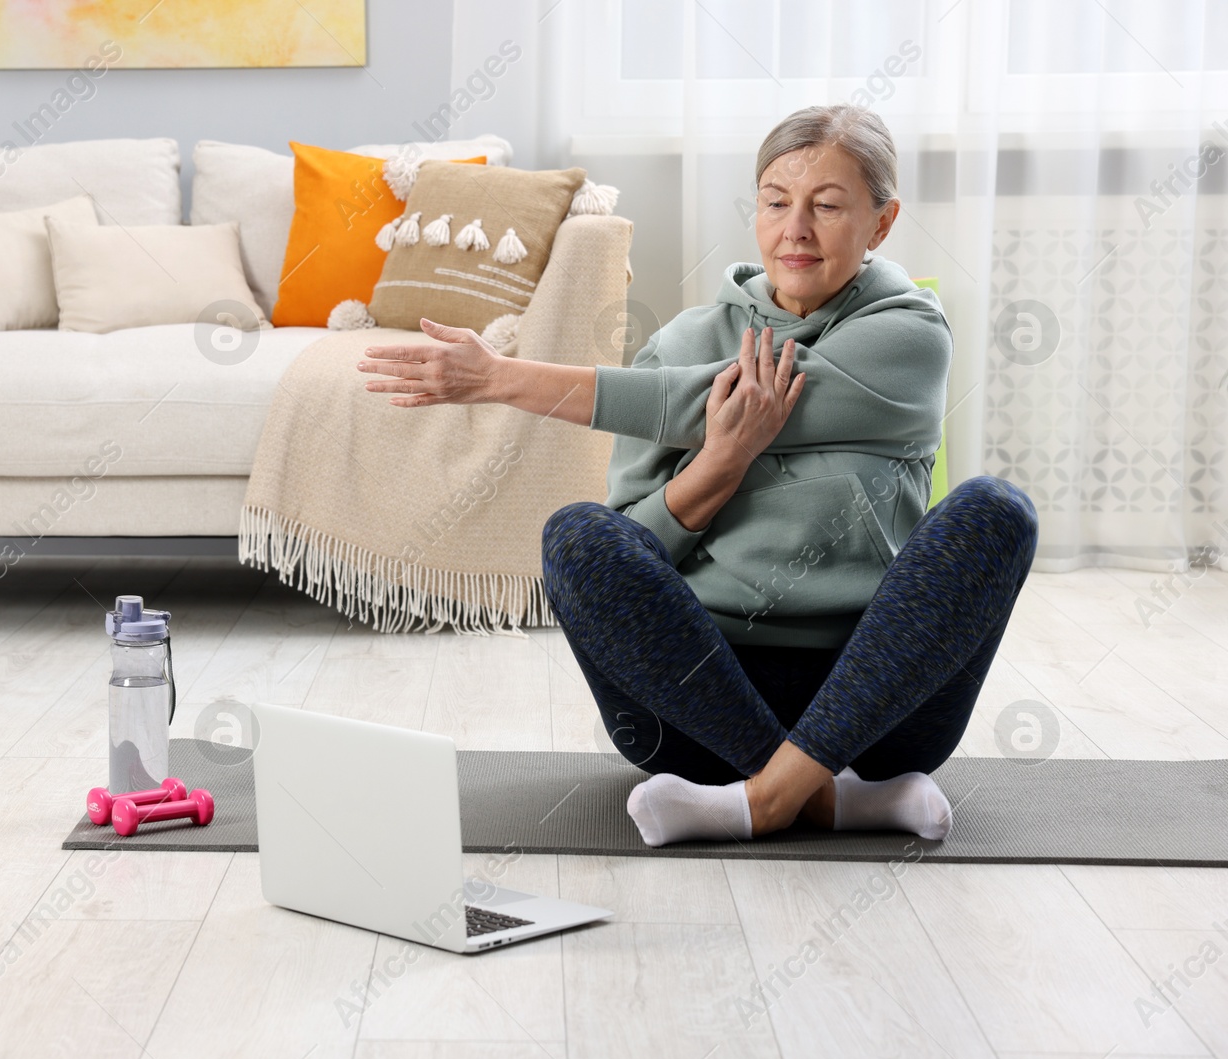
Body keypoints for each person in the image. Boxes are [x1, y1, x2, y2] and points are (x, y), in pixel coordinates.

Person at [355, 104, 1037, 845]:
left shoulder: (909, 334)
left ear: (881, 221)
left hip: (874, 709)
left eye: (828, 206)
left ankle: (766, 798)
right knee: (578, 535)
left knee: (996, 509)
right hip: (692, 708)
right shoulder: (686, 339)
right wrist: (722, 460)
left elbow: (701, 398)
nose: (795, 229)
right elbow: (634, 547)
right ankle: (831, 799)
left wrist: (501, 377)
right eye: (776, 203)